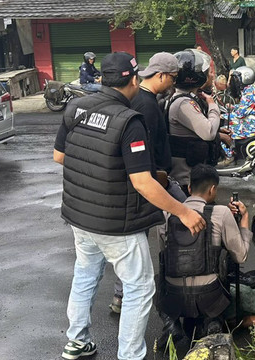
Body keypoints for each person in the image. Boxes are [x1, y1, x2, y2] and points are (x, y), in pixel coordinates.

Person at [53, 51, 205, 360]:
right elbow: (143, 183)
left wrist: (101, 169)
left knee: (85, 274)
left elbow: (60, 155)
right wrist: (184, 211)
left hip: (80, 217)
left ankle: (77, 340)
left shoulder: (76, 107)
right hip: (117, 224)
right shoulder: (128, 121)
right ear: (133, 80)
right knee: (139, 287)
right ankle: (131, 355)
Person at [107, 52, 180, 314]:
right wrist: (155, 175)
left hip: (150, 177)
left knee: (136, 239)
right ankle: (131, 295)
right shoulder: (146, 105)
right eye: (172, 77)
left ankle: (120, 296)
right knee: (181, 218)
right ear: (160, 75)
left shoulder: (143, 99)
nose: (173, 83)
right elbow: (141, 149)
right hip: (150, 180)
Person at [157, 164, 251, 349]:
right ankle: (212, 320)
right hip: (210, 298)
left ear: (189, 188)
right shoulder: (221, 213)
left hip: (174, 298)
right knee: (224, 263)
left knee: (156, 278)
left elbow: (164, 256)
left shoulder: (167, 214)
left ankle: (171, 324)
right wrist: (245, 218)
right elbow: (241, 256)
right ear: (213, 189)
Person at [168, 49, 221, 192]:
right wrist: (212, 105)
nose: (208, 74)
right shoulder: (183, 103)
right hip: (186, 179)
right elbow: (208, 132)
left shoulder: (184, 98)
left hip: (190, 174)